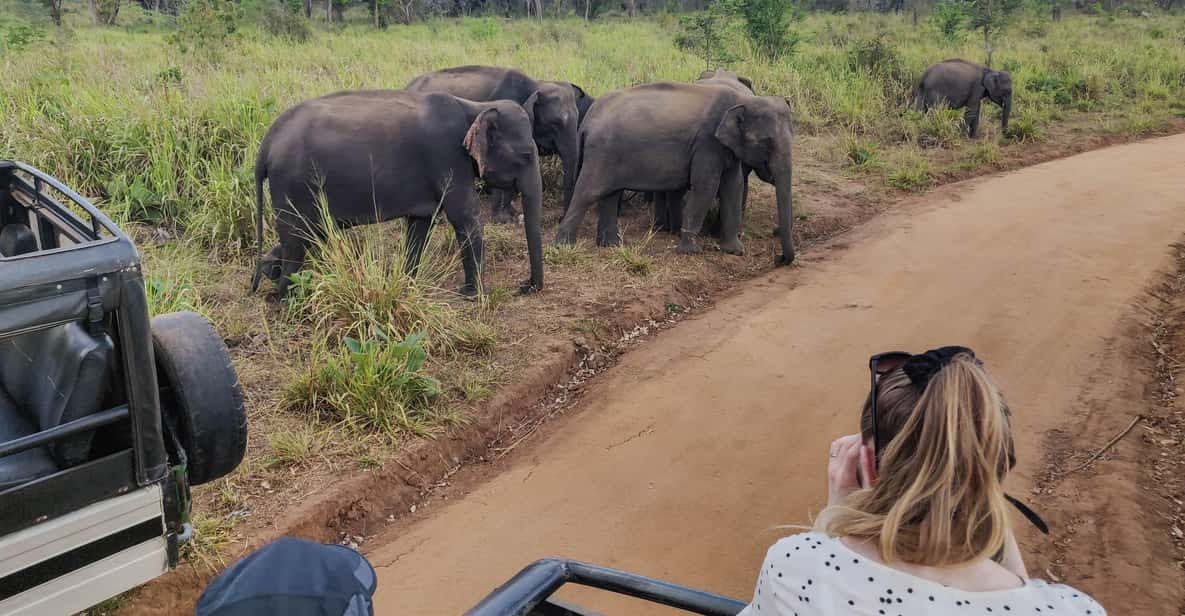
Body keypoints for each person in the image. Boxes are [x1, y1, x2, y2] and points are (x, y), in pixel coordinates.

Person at [739, 346, 1105, 615]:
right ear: (994, 473)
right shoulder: (1073, 611)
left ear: (865, 462)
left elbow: (824, 580)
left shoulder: (794, 566)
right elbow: (1021, 596)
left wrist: (835, 521)